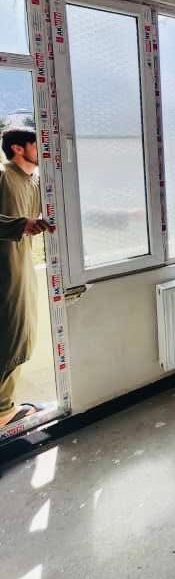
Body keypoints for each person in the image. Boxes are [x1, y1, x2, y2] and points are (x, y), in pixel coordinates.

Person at [0, 127, 54, 428]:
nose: (43, 149)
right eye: (37, 144)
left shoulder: (34, 183)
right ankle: (3, 412)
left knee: (21, 336)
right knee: (11, 336)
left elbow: (58, 212)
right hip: (5, 271)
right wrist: (20, 225)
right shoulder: (3, 177)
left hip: (22, 269)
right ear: (18, 149)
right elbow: (21, 223)